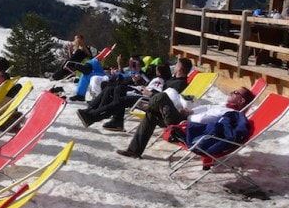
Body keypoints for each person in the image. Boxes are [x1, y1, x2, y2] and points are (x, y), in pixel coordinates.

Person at [117, 85, 253, 160]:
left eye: (236, 92)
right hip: (185, 121)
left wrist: (190, 117)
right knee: (152, 114)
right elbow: (207, 108)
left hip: (186, 128)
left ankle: (149, 102)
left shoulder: (231, 114)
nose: (231, 91)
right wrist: (190, 112)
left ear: (241, 101)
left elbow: (205, 121)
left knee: (161, 97)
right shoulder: (223, 107)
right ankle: (134, 150)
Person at [76, 63, 172, 131]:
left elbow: (156, 92)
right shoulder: (158, 79)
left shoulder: (160, 80)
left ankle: (94, 115)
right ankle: (93, 111)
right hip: (141, 92)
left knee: (119, 96)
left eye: (156, 70)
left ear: (159, 72)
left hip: (143, 97)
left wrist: (145, 90)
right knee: (111, 89)